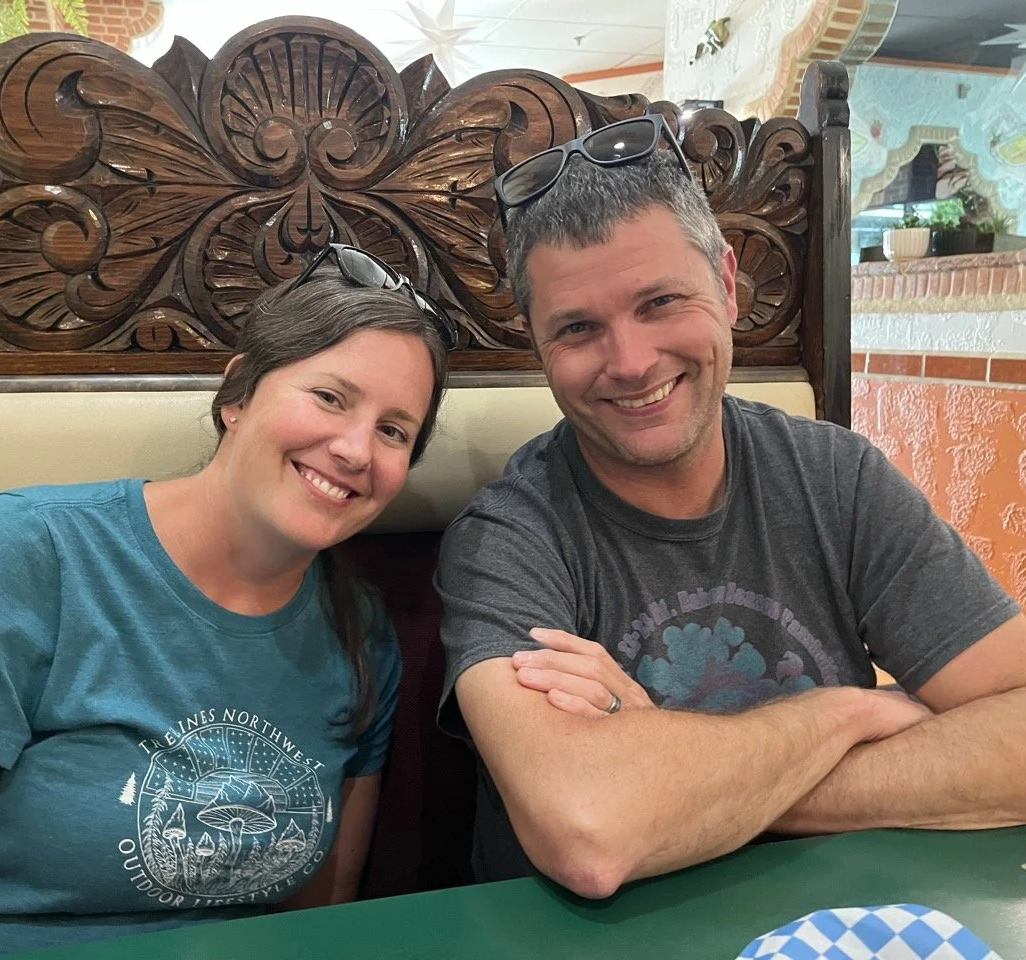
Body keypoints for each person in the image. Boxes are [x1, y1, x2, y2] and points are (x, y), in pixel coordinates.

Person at [0, 244, 453, 959]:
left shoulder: (361, 633)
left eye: (393, 431)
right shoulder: (25, 556)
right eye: (330, 397)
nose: (355, 450)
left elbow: (313, 932)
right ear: (237, 396)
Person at [436, 115, 1026, 898]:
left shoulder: (836, 478)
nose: (633, 361)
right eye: (578, 328)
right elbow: (591, 831)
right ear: (538, 345)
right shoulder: (508, 539)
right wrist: (844, 715)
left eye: (659, 302)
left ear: (725, 284)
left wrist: (684, 786)